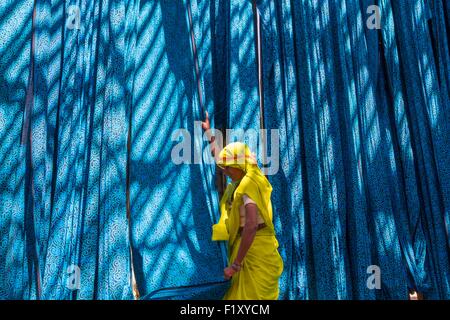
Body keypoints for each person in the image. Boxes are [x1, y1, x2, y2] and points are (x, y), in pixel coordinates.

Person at [201, 112, 284, 300]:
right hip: (247, 250)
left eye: (229, 168)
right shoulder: (243, 179)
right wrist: (209, 134)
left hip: (254, 254)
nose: (225, 172)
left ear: (238, 165)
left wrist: (236, 264)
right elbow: (222, 159)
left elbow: (252, 225)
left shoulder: (248, 185)